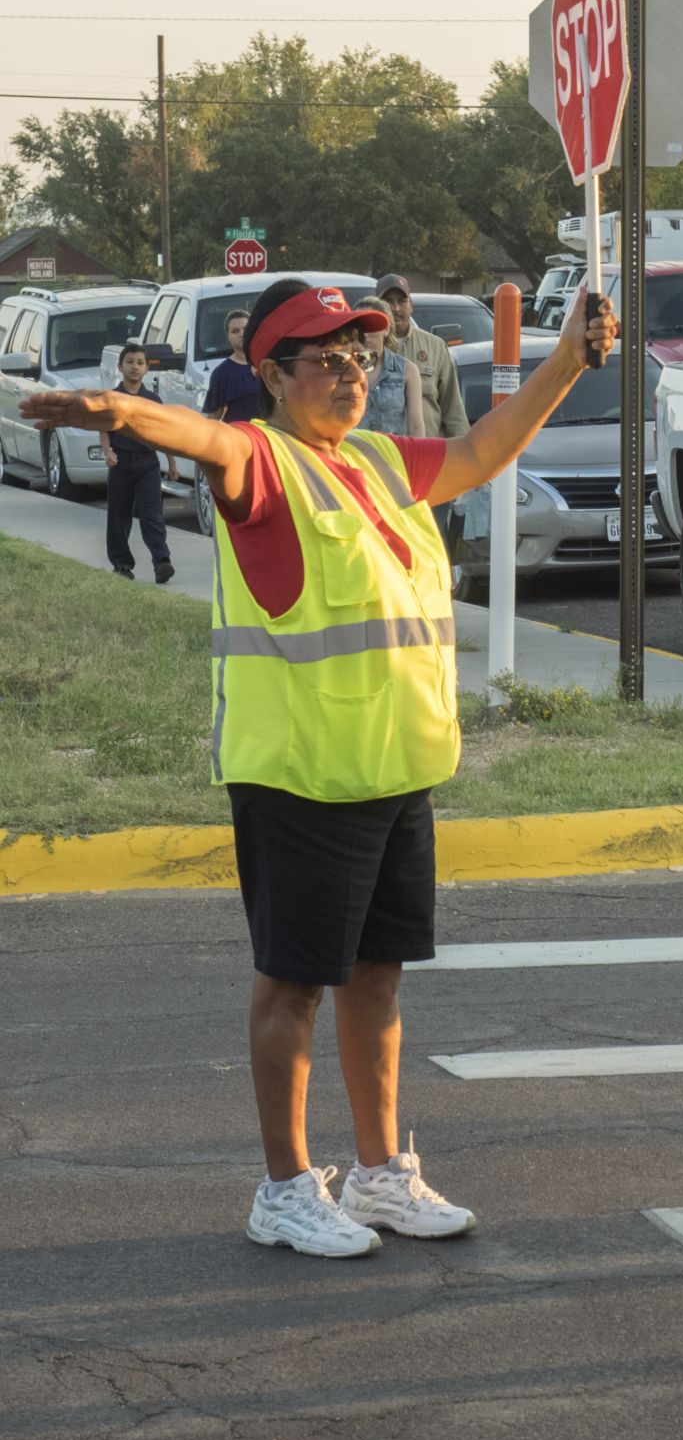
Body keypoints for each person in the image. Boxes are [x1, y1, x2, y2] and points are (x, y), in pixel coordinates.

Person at [24, 277, 620, 1260]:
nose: (350, 377)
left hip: (392, 768)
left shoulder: (382, 461)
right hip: (299, 775)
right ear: (273, 375)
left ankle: (383, 1175)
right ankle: (285, 1189)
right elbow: (212, 442)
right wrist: (123, 408)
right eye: (327, 362)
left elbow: (479, 450)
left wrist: (565, 359)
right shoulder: (265, 462)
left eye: (363, 360)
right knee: (293, 985)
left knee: (376, 979)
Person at [104, 342, 172, 583]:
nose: (135, 367)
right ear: (120, 366)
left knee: (151, 514)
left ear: (147, 369)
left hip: (147, 464)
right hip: (120, 463)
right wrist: (107, 452)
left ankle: (162, 561)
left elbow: (163, 434)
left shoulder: (152, 399)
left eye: (140, 363)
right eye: (130, 362)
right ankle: (122, 564)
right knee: (118, 517)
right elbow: (104, 429)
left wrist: (171, 464)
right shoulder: (112, 397)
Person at [376, 274, 468, 441]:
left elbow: (452, 408)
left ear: (411, 305)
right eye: (388, 301)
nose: (395, 308)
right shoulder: (366, 349)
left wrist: (462, 454)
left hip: (427, 454)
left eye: (401, 301)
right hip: (381, 455)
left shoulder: (435, 346)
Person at [355, 298, 425, 438]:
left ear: (386, 329)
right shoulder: (344, 369)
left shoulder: (407, 370)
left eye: (371, 325)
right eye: (359, 327)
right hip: (353, 456)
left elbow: (416, 426)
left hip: (393, 456)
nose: (365, 334)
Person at [203, 309, 265, 425]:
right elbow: (214, 417)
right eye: (235, 331)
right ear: (228, 336)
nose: (241, 334)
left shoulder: (268, 364)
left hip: (271, 437)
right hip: (239, 437)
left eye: (245, 329)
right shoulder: (222, 373)